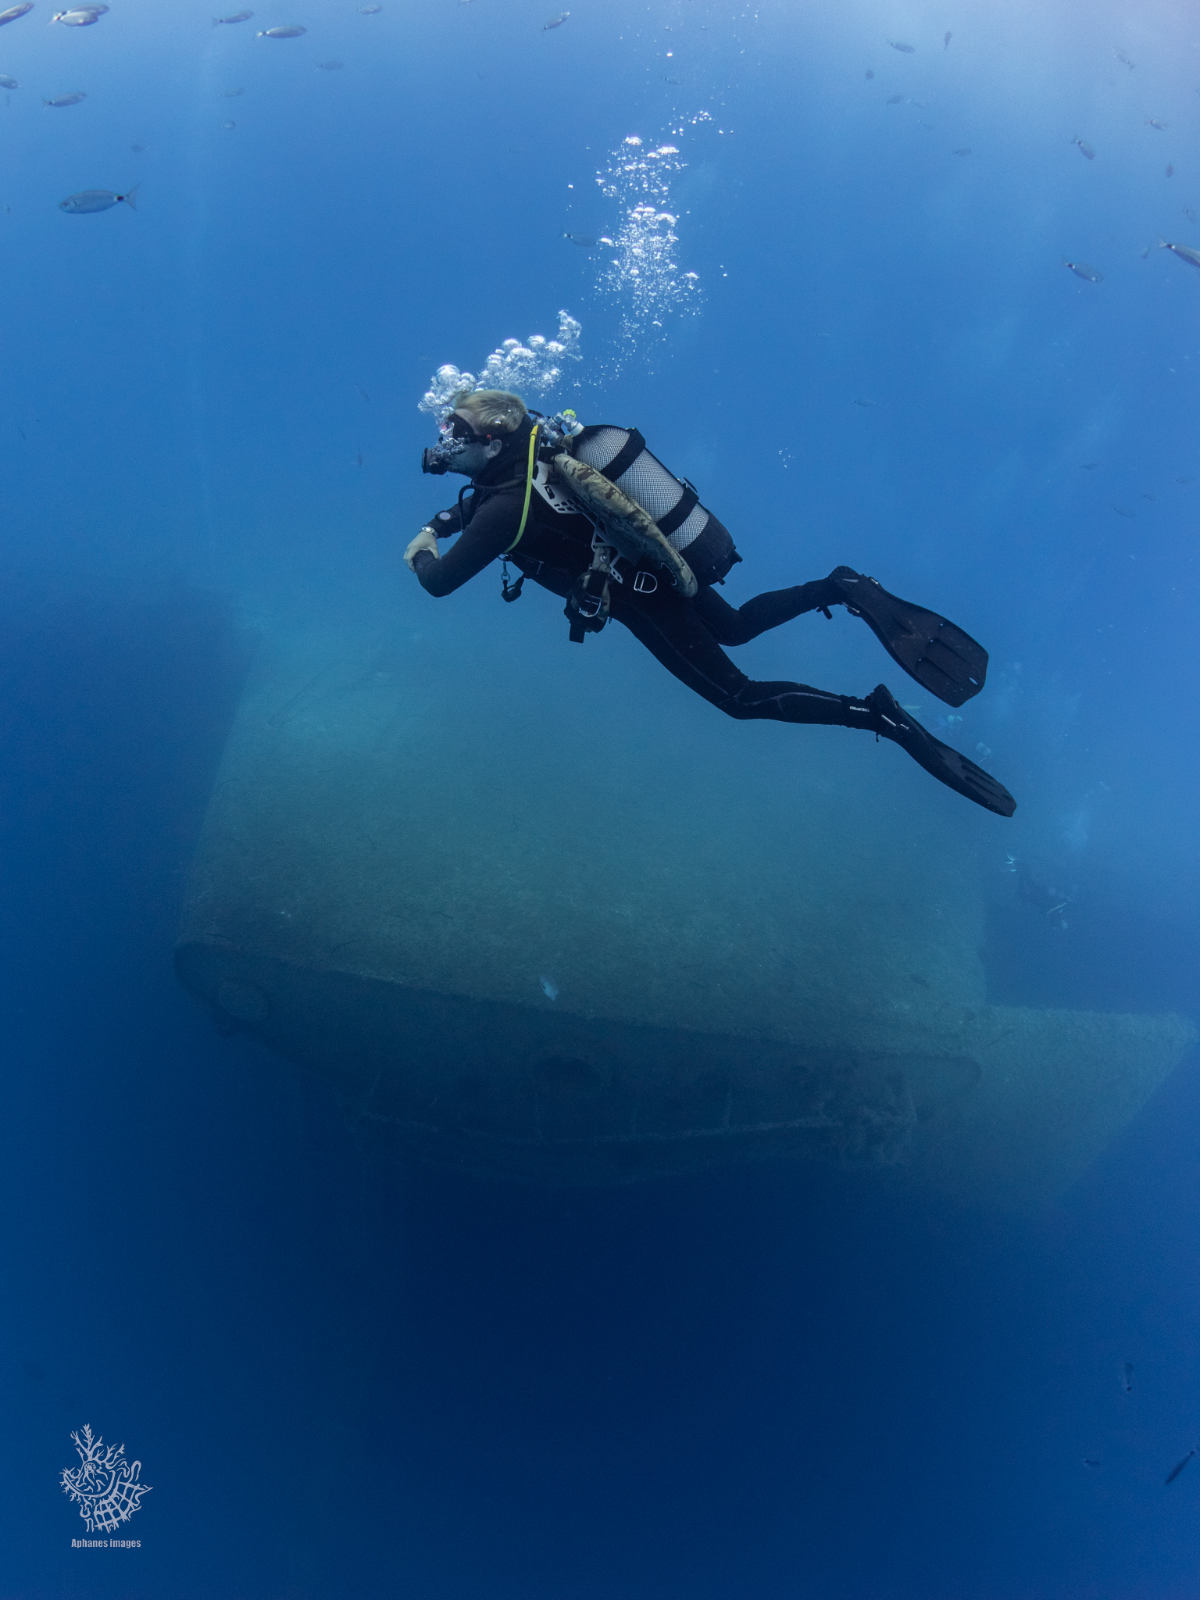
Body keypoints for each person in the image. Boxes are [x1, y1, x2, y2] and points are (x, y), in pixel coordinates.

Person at [404, 389, 1015, 817]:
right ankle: (840, 587)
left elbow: (440, 581)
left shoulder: (505, 508)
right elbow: (475, 507)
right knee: (739, 626)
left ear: (490, 438)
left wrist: (422, 549)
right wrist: (444, 516)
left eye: (454, 431)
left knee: (738, 699)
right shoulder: (533, 464)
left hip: (643, 599)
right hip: (657, 567)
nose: (443, 441)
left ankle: (875, 714)